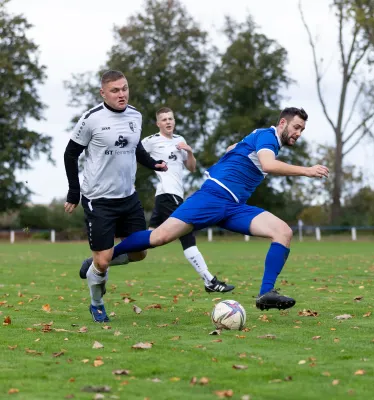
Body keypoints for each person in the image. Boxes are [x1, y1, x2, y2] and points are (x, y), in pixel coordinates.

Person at [105, 107, 330, 311]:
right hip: (212, 198)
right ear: (283, 123)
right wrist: (307, 170)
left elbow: (235, 148)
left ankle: (266, 294)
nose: (299, 133)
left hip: (234, 207)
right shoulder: (268, 137)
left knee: (283, 232)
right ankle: (106, 256)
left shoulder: (264, 138)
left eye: (302, 129)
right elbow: (268, 165)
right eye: (296, 127)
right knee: (159, 237)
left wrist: (234, 151)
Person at [79, 107, 234, 293]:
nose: (168, 122)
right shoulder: (151, 141)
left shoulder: (180, 140)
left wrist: (190, 152)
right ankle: (210, 280)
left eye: (171, 118)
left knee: (144, 242)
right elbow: (131, 152)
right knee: (187, 234)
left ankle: (99, 261)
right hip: (167, 194)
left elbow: (191, 168)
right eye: (164, 119)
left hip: (174, 195)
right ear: (158, 123)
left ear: (174, 121)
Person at [64, 70, 167, 323]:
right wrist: (74, 191)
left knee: (140, 252)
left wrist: (153, 164)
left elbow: (136, 147)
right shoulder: (91, 119)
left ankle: (99, 259)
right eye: (115, 90)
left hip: (128, 197)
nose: (121, 94)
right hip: (98, 200)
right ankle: (97, 303)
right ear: (103, 93)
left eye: (124, 88)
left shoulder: (135, 115)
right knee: (104, 262)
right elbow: (70, 153)